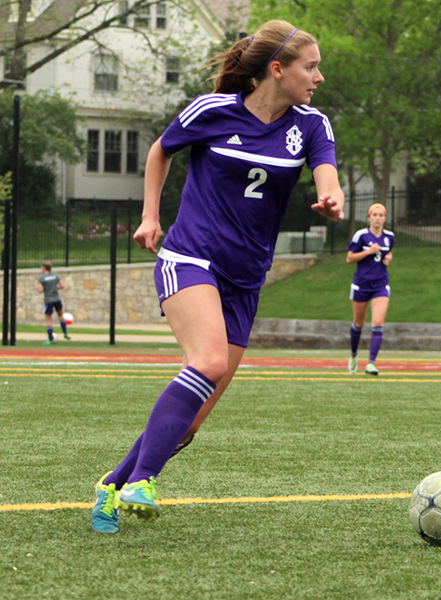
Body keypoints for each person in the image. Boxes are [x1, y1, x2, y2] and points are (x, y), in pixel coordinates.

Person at [90, 20, 345, 534]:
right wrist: (149, 215)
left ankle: (113, 485)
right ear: (278, 69)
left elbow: (326, 171)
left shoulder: (312, 125)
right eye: (310, 67)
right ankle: (143, 481)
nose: (318, 77)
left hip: (246, 279)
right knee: (204, 361)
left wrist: (332, 195)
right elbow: (161, 149)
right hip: (191, 257)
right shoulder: (213, 112)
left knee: (189, 425)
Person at [347, 203, 394, 375]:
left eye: (381, 215)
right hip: (361, 284)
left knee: (378, 322)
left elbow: (389, 252)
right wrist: (368, 252)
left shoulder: (389, 237)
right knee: (359, 323)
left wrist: (388, 257)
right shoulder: (361, 235)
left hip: (380, 284)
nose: (378, 218)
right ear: (369, 217)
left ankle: (371, 363)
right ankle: (353, 355)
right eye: (374, 215)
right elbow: (350, 258)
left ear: (385, 218)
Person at [36, 261, 71, 344]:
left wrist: (47, 289)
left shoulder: (42, 278)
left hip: (48, 300)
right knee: (61, 316)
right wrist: (55, 288)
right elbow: (62, 285)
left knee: (48, 320)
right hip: (57, 299)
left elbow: (39, 290)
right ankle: (65, 333)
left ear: (44, 268)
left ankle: (50, 339)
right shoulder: (55, 276)